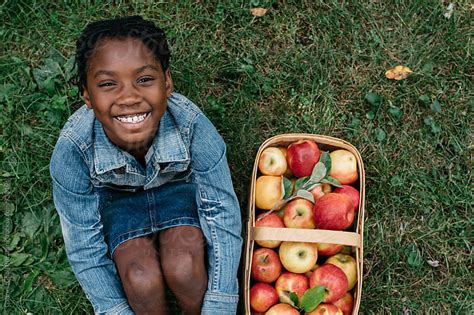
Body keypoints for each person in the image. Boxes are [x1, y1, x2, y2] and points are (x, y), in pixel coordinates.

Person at [49, 16, 242, 315]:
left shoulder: (193, 127)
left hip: (177, 194)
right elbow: (84, 246)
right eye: (108, 84)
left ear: (167, 83)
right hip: (119, 206)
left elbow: (222, 213)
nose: (128, 97)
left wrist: (220, 304)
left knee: (185, 269)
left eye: (144, 80)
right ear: (87, 95)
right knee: (141, 280)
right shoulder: (73, 151)